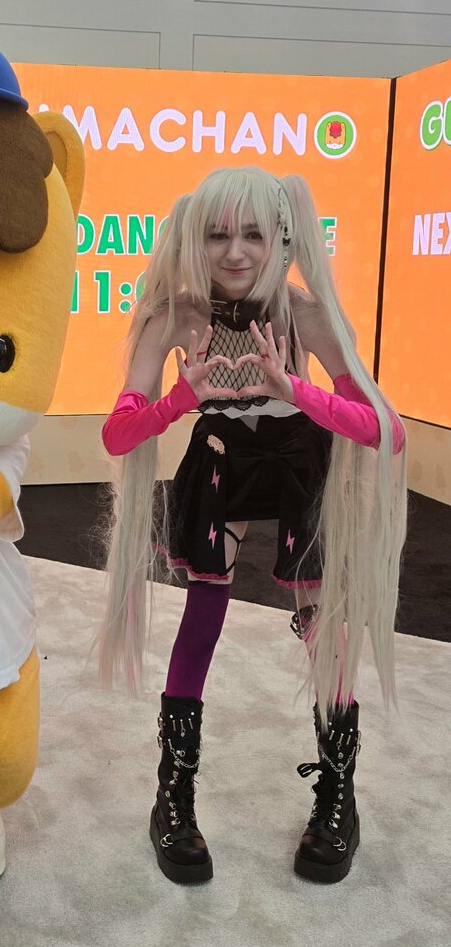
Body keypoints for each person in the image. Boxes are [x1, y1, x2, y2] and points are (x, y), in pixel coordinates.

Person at [99, 167, 406, 885]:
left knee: (320, 621)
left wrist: (292, 389)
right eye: (217, 235)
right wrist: (182, 398)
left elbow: (384, 431)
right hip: (219, 458)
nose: (234, 252)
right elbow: (118, 435)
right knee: (203, 613)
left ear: (282, 240)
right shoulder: (174, 317)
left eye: (252, 235)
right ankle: (173, 798)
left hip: (301, 459)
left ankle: (338, 796)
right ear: (194, 237)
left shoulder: (307, 316)